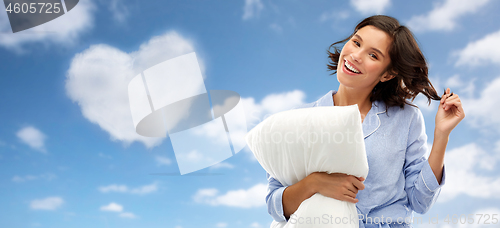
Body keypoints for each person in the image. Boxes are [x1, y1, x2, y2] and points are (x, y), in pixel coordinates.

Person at [265, 15, 465, 228]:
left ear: (388, 74)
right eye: (356, 42)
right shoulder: (298, 119)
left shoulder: (406, 118)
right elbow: (276, 206)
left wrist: (442, 135)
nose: (355, 56)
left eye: (373, 55)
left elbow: (420, 202)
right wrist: (315, 183)